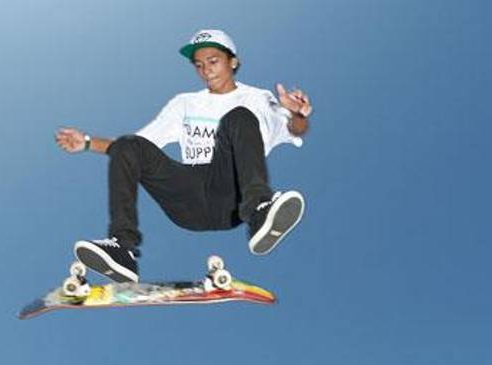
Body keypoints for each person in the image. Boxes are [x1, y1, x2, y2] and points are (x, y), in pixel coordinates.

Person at [55, 29, 311, 282]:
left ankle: (259, 212)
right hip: (187, 198)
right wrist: (87, 142)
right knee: (129, 145)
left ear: (233, 61)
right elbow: (135, 148)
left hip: (231, 196)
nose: (206, 70)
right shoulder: (184, 103)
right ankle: (122, 249)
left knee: (239, 116)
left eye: (213, 61)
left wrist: (298, 114)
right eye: (199, 65)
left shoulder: (258, 99)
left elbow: (293, 129)